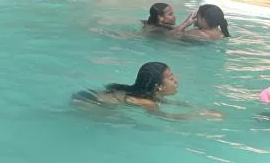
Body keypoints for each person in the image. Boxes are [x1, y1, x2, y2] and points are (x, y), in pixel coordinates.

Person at [72, 61, 223, 119]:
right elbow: (165, 117)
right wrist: (200, 115)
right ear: (159, 86)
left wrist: (196, 107)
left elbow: (162, 101)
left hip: (88, 95)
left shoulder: (146, 94)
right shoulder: (147, 101)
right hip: (86, 102)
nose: (176, 80)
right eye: (171, 78)